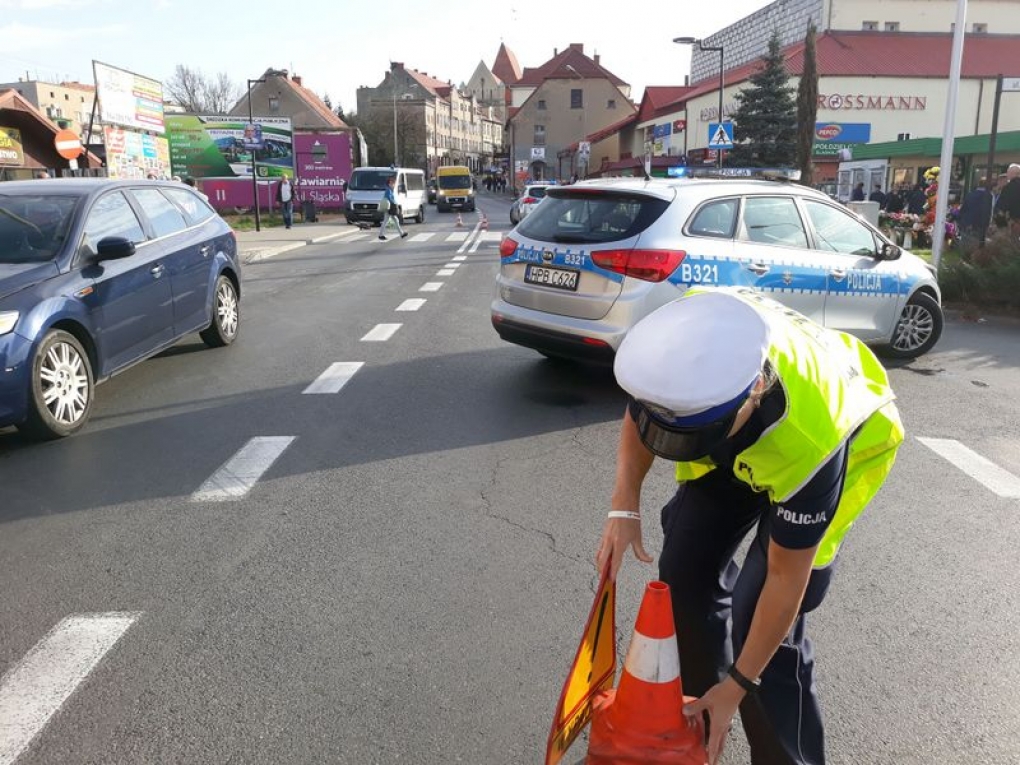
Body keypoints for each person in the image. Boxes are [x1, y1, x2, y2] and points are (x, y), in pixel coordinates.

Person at [597, 286, 904, 765]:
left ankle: (786, 755)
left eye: (693, 435)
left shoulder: (810, 437)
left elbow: (785, 581)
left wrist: (740, 682)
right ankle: (702, 719)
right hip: (735, 434)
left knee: (764, 630)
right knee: (683, 573)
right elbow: (642, 414)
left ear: (753, 392)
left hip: (834, 440)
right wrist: (624, 507)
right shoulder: (684, 337)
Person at [958, 178, 994, 247]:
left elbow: (963, 209)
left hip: (967, 223)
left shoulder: (970, 194)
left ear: (978, 185)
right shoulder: (989, 196)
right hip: (980, 225)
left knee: (966, 246)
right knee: (978, 246)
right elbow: (990, 211)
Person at [993, 163, 1020, 238]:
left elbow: (1002, 207)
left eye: (1008, 173)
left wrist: (1000, 224)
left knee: (1013, 246)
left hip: (1014, 223)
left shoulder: (1008, 188)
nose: (1007, 174)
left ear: (1013, 174)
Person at [378, 175, 407, 240]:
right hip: (390, 207)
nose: (393, 184)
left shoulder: (389, 189)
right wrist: (395, 203)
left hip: (389, 207)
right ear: (389, 183)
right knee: (388, 221)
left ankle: (401, 234)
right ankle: (381, 235)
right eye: (392, 183)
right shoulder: (388, 190)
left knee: (391, 220)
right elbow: (389, 198)